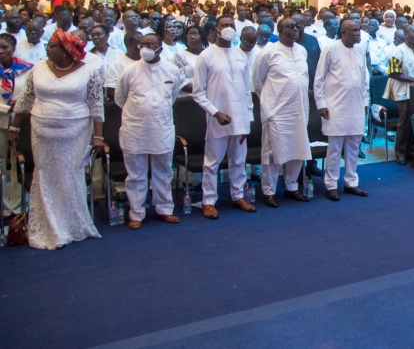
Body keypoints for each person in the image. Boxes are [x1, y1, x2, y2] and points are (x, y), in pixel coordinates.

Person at [9, 30, 103, 250]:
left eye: (52, 46)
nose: (48, 49)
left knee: (69, 174)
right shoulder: (38, 68)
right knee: (46, 174)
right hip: (42, 130)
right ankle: (48, 225)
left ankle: (72, 224)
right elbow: (25, 99)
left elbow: (97, 106)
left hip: (75, 131)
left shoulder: (90, 71)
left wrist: (98, 136)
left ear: (66, 50)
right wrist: (14, 126)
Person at [113, 33, 185, 229]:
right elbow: (120, 98)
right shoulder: (128, 71)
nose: (145, 47)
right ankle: (136, 212)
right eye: (143, 44)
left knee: (163, 171)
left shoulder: (172, 70)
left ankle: (164, 209)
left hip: (161, 127)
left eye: (151, 45)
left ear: (160, 48)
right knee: (136, 173)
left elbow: (173, 96)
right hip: (135, 128)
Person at [192, 16, 257, 219]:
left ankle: (237, 196)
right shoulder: (206, 55)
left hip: (240, 118)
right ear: (215, 31)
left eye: (231, 25)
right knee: (212, 162)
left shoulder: (240, 56)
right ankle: (209, 201)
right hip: (217, 118)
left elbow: (247, 91)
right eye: (224, 26)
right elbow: (197, 92)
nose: (228, 28)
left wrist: (248, 120)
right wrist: (215, 112)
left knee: (239, 160)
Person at [253, 17, 312, 205]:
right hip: (276, 111)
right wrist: (269, 104)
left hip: (299, 109)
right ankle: (268, 190)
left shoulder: (301, 51)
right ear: (279, 29)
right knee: (272, 152)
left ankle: (291, 187)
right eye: (290, 26)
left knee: (298, 149)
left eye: (297, 26)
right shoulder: (268, 52)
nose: (295, 29)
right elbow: (257, 81)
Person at [314, 19, 369, 200]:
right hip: (334, 106)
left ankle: (351, 182)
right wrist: (321, 104)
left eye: (359, 30)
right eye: (353, 30)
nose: (358, 33)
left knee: (353, 146)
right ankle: (331, 184)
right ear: (343, 33)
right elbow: (319, 79)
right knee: (335, 149)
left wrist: (365, 102)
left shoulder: (360, 50)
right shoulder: (331, 49)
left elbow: (364, 79)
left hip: (356, 105)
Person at [387, 25, 414, 165]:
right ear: (405, 34)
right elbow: (393, 72)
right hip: (404, 91)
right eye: (413, 32)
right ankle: (400, 153)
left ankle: (412, 152)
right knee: (404, 123)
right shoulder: (397, 51)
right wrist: (413, 80)